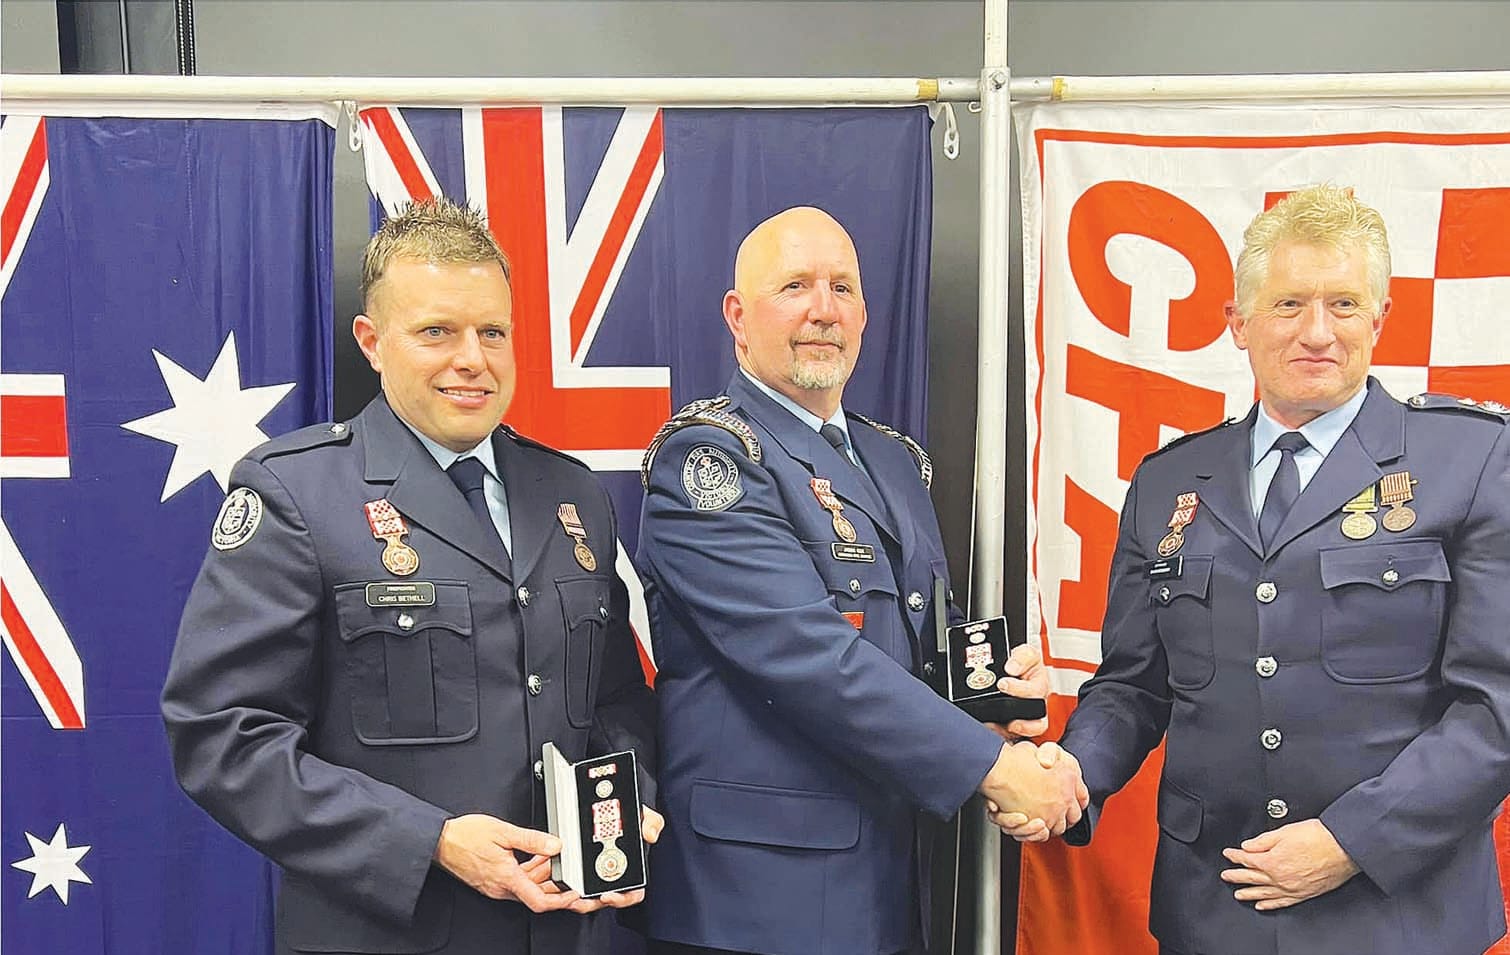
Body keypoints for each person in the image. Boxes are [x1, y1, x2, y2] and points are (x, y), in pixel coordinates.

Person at [1009, 185, 1510, 955]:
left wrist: (1350, 840)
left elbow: (1496, 710)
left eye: (1344, 304)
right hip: (1214, 913)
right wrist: (1071, 775)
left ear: (1380, 319)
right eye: (1287, 305)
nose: (1318, 332)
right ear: (1238, 324)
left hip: (1398, 916)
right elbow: (1133, 685)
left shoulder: (1470, 461)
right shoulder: (1168, 483)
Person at [161, 198, 661, 955]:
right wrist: (429, 840)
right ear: (372, 340)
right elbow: (223, 735)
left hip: (564, 932)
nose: (473, 358)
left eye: (492, 332)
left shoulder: (571, 494)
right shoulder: (297, 493)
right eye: (437, 331)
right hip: (389, 931)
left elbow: (617, 697)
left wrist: (623, 803)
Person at [636, 205, 1084, 955]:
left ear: (866, 314)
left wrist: (996, 696)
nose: (823, 309)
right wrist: (994, 768)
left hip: (885, 881)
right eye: (796, 286)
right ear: (738, 317)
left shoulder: (893, 462)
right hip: (754, 903)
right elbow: (810, 657)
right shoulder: (709, 461)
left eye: (842, 287)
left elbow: (918, 643)